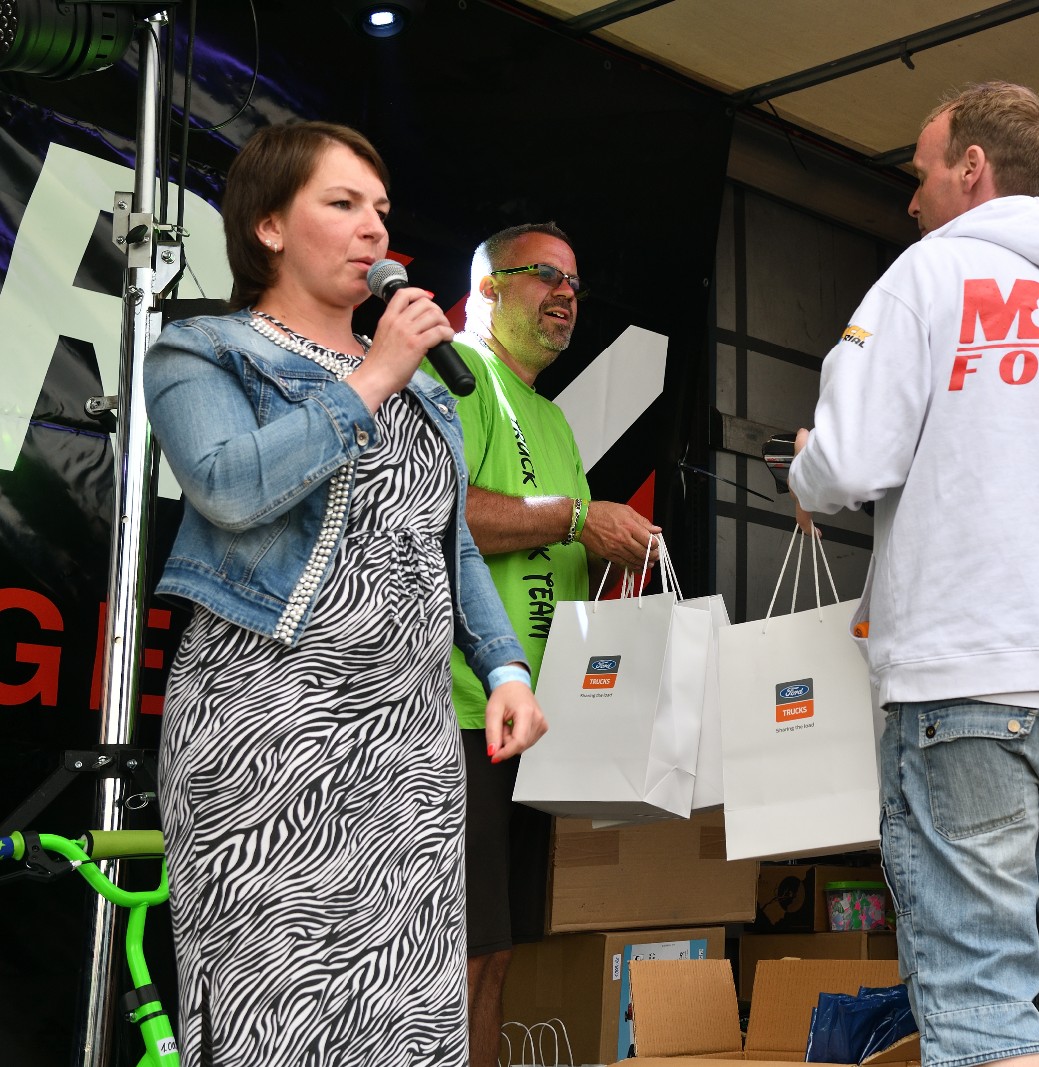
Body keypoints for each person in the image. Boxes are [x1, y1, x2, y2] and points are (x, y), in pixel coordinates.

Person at [144, 121, 545, 1065]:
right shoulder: (204, 350)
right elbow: (229, 486)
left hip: (409, 746)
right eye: (343, 203)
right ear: (269, 225)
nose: (375, 228)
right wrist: (373, 375)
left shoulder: (428, 395)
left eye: (382, 209)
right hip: (270, 731)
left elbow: (448, 545)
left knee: (406, 1013)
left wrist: (506, 669)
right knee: (276, 1012)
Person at [788, 83, 1039, 1067]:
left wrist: (806, 462)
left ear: (971, 167)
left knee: (982, 993)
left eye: (919, 175)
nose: (912, 200)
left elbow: (849, 463)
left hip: (962, 679)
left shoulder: (926, 277)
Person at [437, 222, 660, 1067]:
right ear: (487, 288)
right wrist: (575, 517)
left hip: (533, 723)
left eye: (574, 283)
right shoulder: (456, 375)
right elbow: (440, 511)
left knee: (496, 954)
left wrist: (616, 554)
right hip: (459, 711)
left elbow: (560, 548)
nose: (567, 293)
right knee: (457, 956)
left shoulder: (554, 421)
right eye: (546, 276)